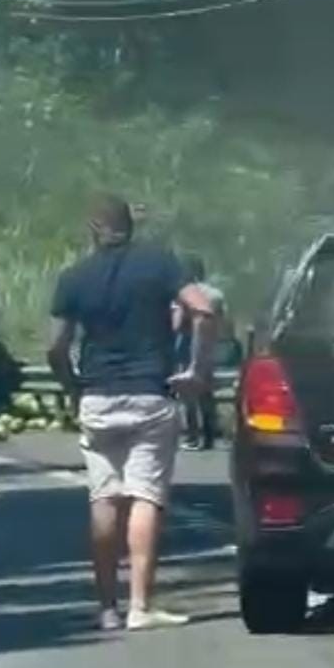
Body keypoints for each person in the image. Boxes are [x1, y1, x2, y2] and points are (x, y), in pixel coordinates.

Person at [47, 194, 215, 632]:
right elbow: (202, 308)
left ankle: (106, 608)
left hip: (97, 398)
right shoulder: (160, 263)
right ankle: (140, 606)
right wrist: (196, 370)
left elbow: (56, 347)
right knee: (145, 496)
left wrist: (72, 387)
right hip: (149, 394)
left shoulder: (74, 277)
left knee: (104, 498)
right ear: (130, 226)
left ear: (92, 229)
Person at [174, 255, 225, 451]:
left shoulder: (185, 295)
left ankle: (193, 436)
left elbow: (177, 324)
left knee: (188, 394)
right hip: (210, 347)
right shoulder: (216, 295)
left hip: (188, 346)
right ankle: (210, 435)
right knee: (206, 393)